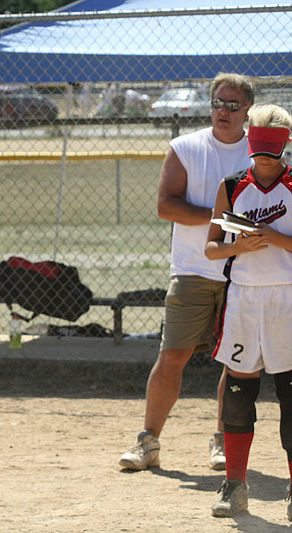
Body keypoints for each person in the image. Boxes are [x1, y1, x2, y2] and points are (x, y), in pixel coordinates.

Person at [119, 73, 254, 471]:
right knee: (172, 355)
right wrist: (225, 220)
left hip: (243, 272)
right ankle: (148, 441)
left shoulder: (259, 153)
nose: (223, 111)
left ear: (247, 110)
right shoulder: (187, 147)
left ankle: (222, 441)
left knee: (237, 361)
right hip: (193, 269)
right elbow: (166, 206)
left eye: (233, 105)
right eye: (218, 103)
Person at [204, 104, 292, 518]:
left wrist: (275, 237)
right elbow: (211, 247)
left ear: (285, 146)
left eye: (271, 151)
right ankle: (235, 485)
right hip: (244, 298)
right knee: (239, 393)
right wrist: (238, 246)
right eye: (258, 150)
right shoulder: (233, 185)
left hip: (286, 297)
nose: (263, 160)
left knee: (290, 395)